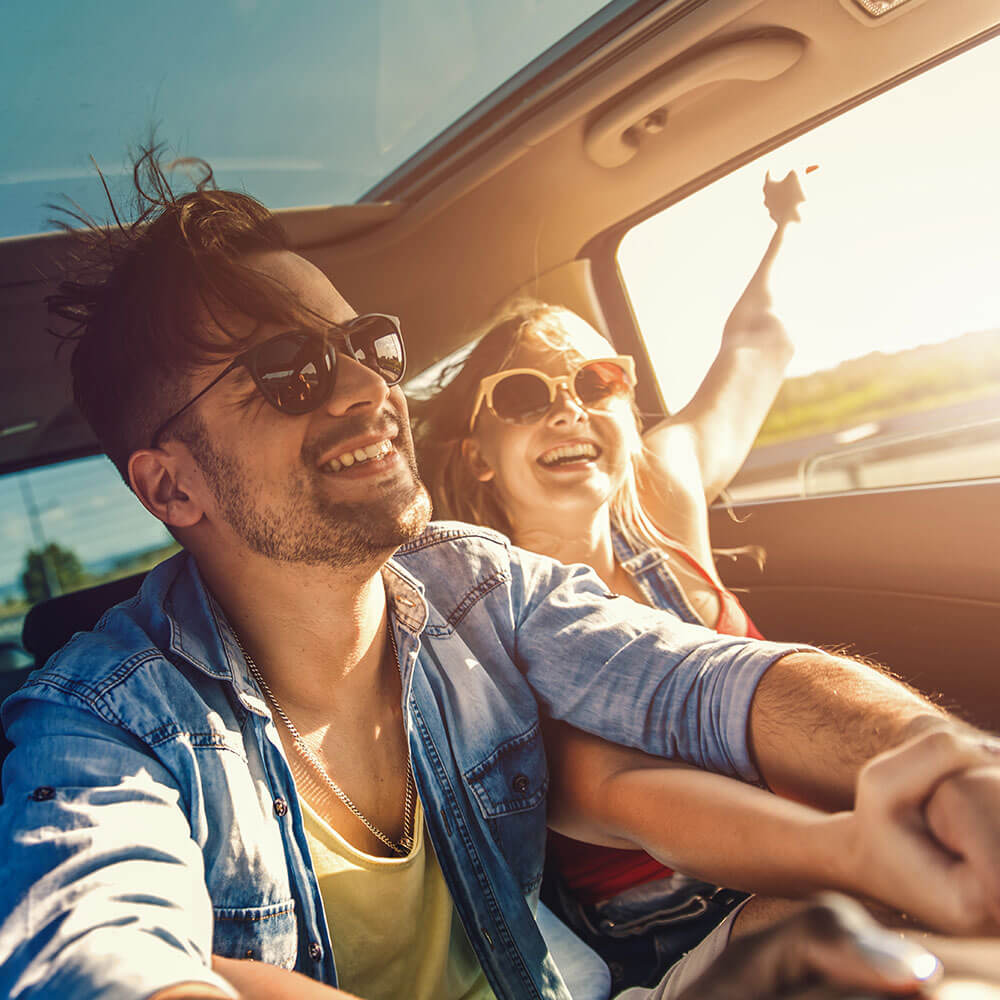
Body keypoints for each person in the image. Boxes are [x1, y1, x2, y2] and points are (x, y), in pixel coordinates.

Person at [2, 149, 1000, 1000]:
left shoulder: (471, 587)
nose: (367, 387)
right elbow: (100, 964)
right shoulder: (97, 726)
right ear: (171, 489)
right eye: (286, 371)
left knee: (860, 947)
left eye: (364, 344)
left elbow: (709, 683)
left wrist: (941, 759)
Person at [412, 171, 810, 984]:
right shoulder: (474, 622)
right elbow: (631, 797)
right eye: (524, 396)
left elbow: (757, 343)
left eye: (598, 382)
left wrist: (788, 224)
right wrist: (850, 843)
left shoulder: (662, 492)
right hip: (662, 921)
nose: (568, 411)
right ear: (477, 457)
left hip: (806, 839)